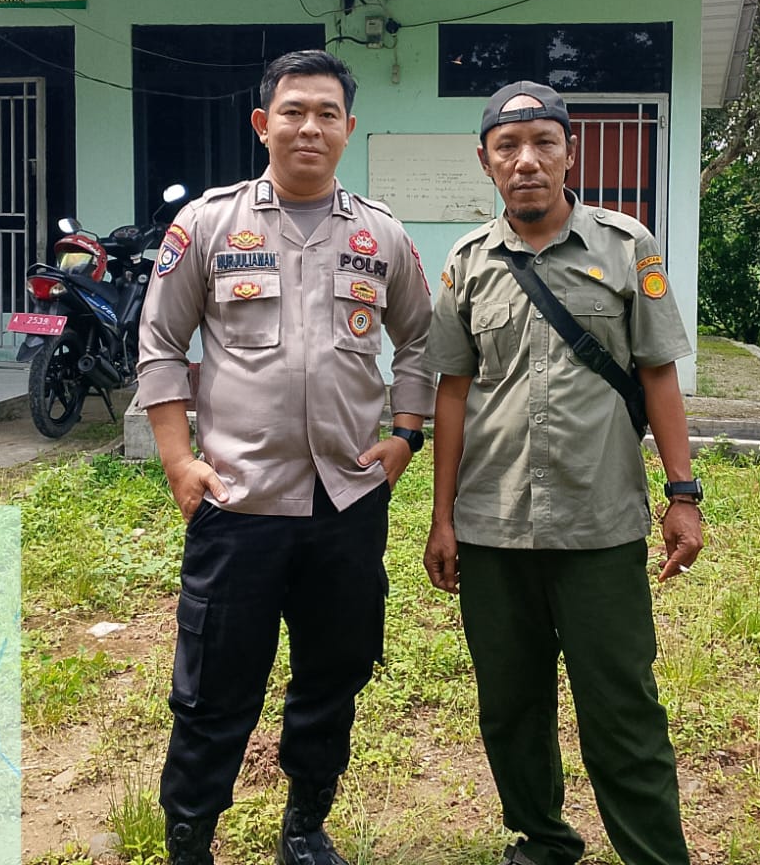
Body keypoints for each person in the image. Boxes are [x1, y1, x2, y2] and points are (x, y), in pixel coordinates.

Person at [137, 49, 436, 865]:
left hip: (346, 501)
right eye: (294, 110)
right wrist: (177, 461)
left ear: (347, 128)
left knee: (331, 678)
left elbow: (421, 342)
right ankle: (189, 840)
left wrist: (405, 434)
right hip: (238, 501)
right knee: (211, 691)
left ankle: (304, 826)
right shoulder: (206, 224)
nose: (311, 126)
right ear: (264, 123)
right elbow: (160, 343)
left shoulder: (382, 233)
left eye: (328, 113)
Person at [423, 80, 704, 865]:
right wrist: (442, 519)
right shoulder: (468, 263)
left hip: (600, 522)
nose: (527, 162)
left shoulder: (626, 247)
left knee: (621, 708)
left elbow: (657, 373)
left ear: (569, 153)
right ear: (485, 162)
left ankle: (654, 854)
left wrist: (684, 496)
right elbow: (453, 393)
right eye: (508, 148)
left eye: (544, 143)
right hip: (492, 526)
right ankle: (543, 838)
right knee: (509, 707)